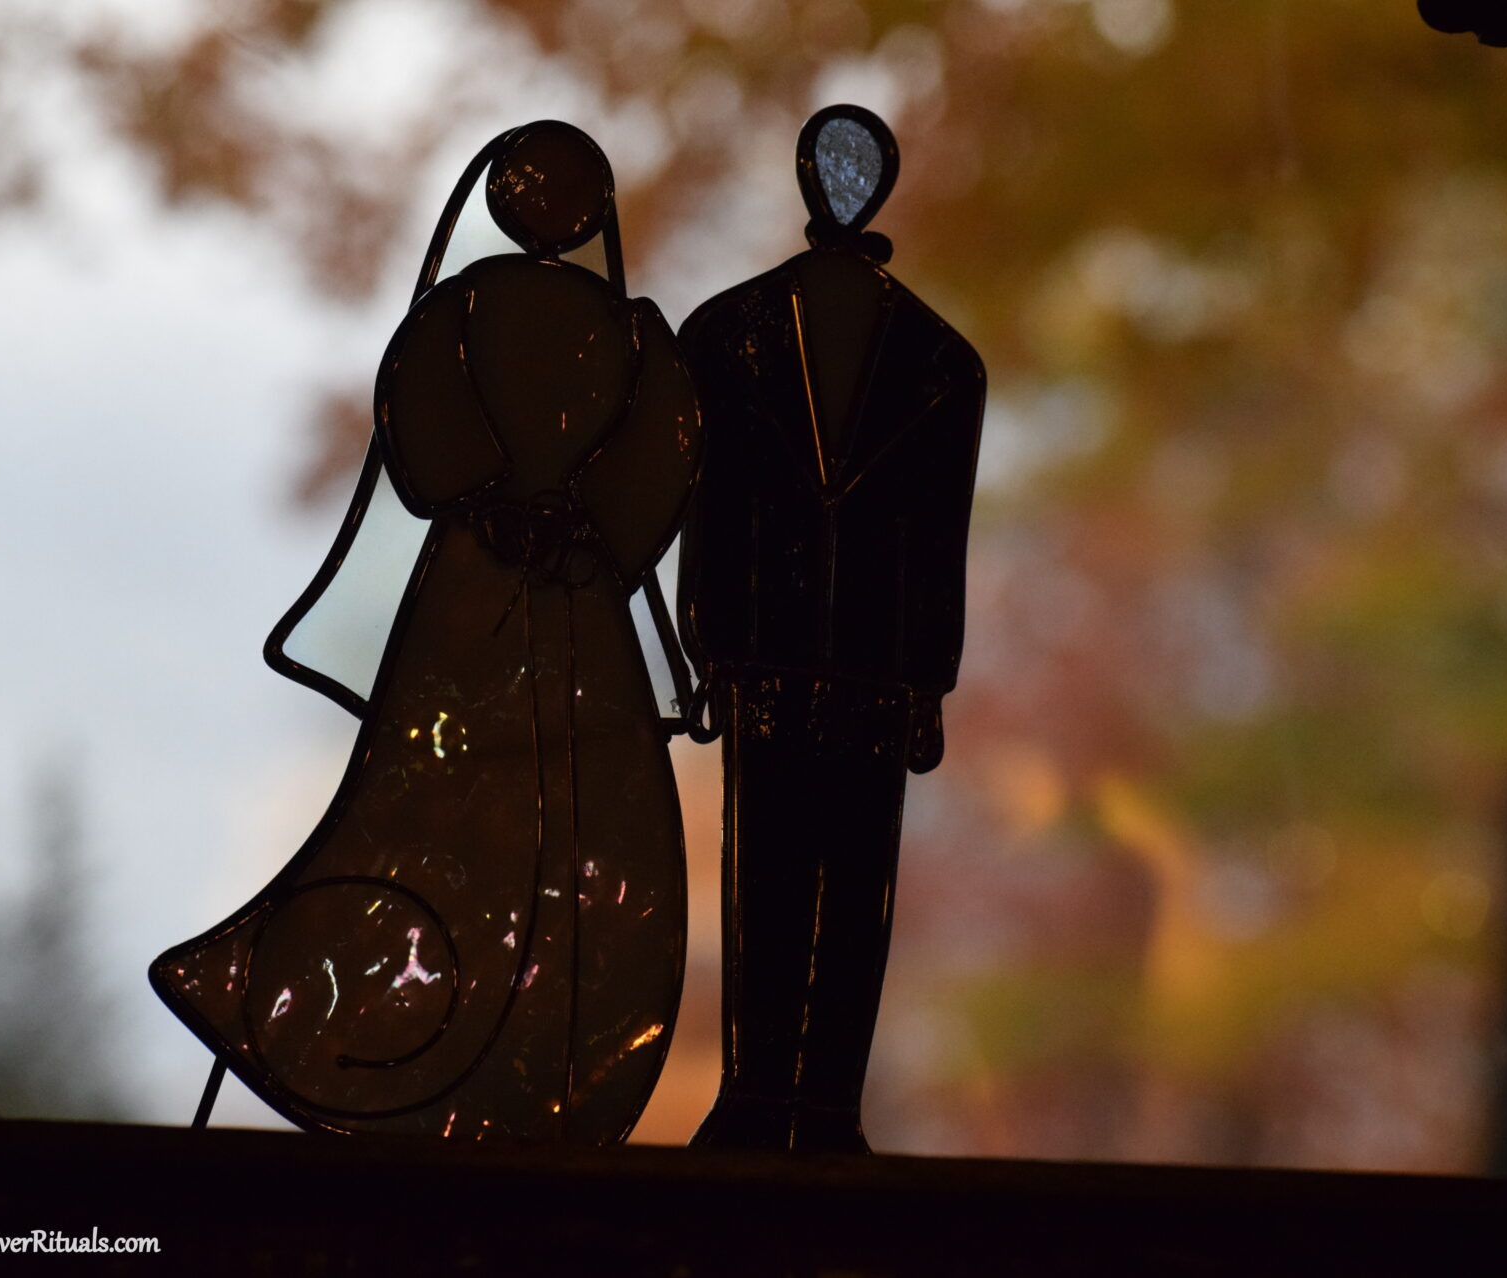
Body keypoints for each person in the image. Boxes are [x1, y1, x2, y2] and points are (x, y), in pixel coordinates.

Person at [153, 122, 702, 1142]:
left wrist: (514, 508)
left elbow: (606, 459)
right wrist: (562, 521)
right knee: (452, 812)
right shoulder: (597, 334)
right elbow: (614, 467)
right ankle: (430, 1052)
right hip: (539, 595)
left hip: (519, 589)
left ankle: (534, 1073)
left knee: (540, 822)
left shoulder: (555, 326)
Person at [678, 105, 985, 1153]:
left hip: (873, 661)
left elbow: (943, 533)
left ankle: (828, 1103)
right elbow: (705, 514)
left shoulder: (944, 363)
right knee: (762, 877)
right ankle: (760, 1090)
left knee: (858, 883)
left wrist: (929, 678)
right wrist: (706, 643)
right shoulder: (724, 337)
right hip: (765, 650)